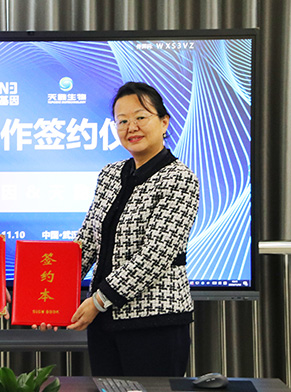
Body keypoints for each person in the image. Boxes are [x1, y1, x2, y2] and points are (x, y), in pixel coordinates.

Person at [52, 82, 199, 376]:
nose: (131, 127)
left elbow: (156, 254)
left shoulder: (180, 178)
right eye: (122, 121)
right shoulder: (110, 175)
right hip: (104, 323)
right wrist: (52, 295)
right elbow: (87, 242)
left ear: (164, 122)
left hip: (155, 321)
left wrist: (98, 301)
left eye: (141, 117)